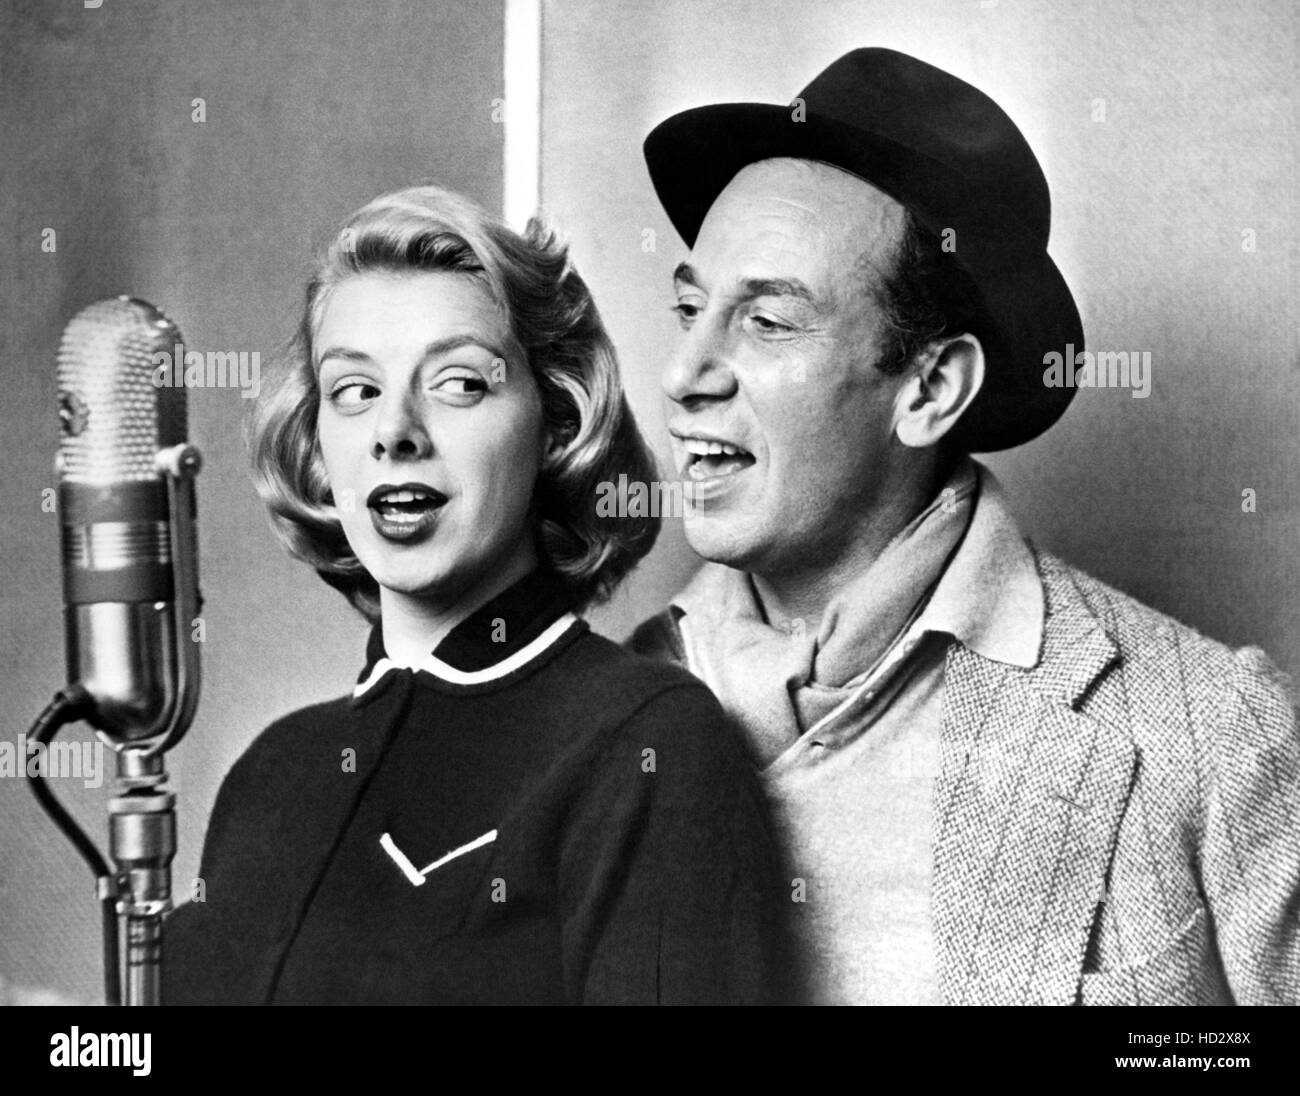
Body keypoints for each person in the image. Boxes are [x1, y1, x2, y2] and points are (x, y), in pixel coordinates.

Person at [629, 48, 1300, 1005]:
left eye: (767, 323)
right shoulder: (610, 709)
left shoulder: (1206, 733)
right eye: (691, 309)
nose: (685, 373)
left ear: (931, 388)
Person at [162, 184, 789, 1005]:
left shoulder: (648, 744)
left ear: (558, 423)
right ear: (319, 443)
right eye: (354, 391)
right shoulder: (271, 774)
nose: (395, 431)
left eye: (458, 382)